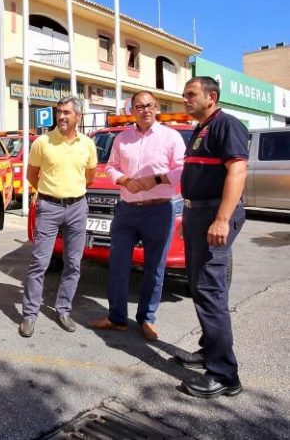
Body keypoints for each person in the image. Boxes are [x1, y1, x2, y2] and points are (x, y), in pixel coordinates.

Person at [88, 91, 186, 340]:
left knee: (154, 267)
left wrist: (157, 179)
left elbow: (182, 169)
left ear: (157, 107)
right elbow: (111, 167)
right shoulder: (122, 138)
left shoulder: (171, 137)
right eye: (139, 106)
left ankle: (147, 318)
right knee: (118, 265)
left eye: (149, 105)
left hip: (159, 210)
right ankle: (117, 318)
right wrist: (124, 180)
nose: (145, 110)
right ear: (132, 110)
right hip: (127, 210)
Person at [175, 76, 248, 399]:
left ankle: (224, 374)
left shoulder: (226, 125)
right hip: (197, 215)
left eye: (191, 94)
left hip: (215, 214)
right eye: (184, 94)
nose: (185, 99)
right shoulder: (201, 128)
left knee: (209, 289)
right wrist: (188, 215)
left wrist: (221, 219)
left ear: (211, 97)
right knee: (198, 285)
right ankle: (210, 350)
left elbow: (238, 171)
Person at [19, 96, 97, 337]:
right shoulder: (42, 142)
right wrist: (49, 193)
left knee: (73, 263)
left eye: (66, 112)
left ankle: (63, 309)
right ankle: (29, 315)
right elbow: (32, 175)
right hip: (49, 208)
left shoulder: (88, 144)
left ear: (78, 117)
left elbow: (90, 177)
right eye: (59, 112)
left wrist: (71, 191)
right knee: (39, 263)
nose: (61, 116)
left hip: (77, 208)